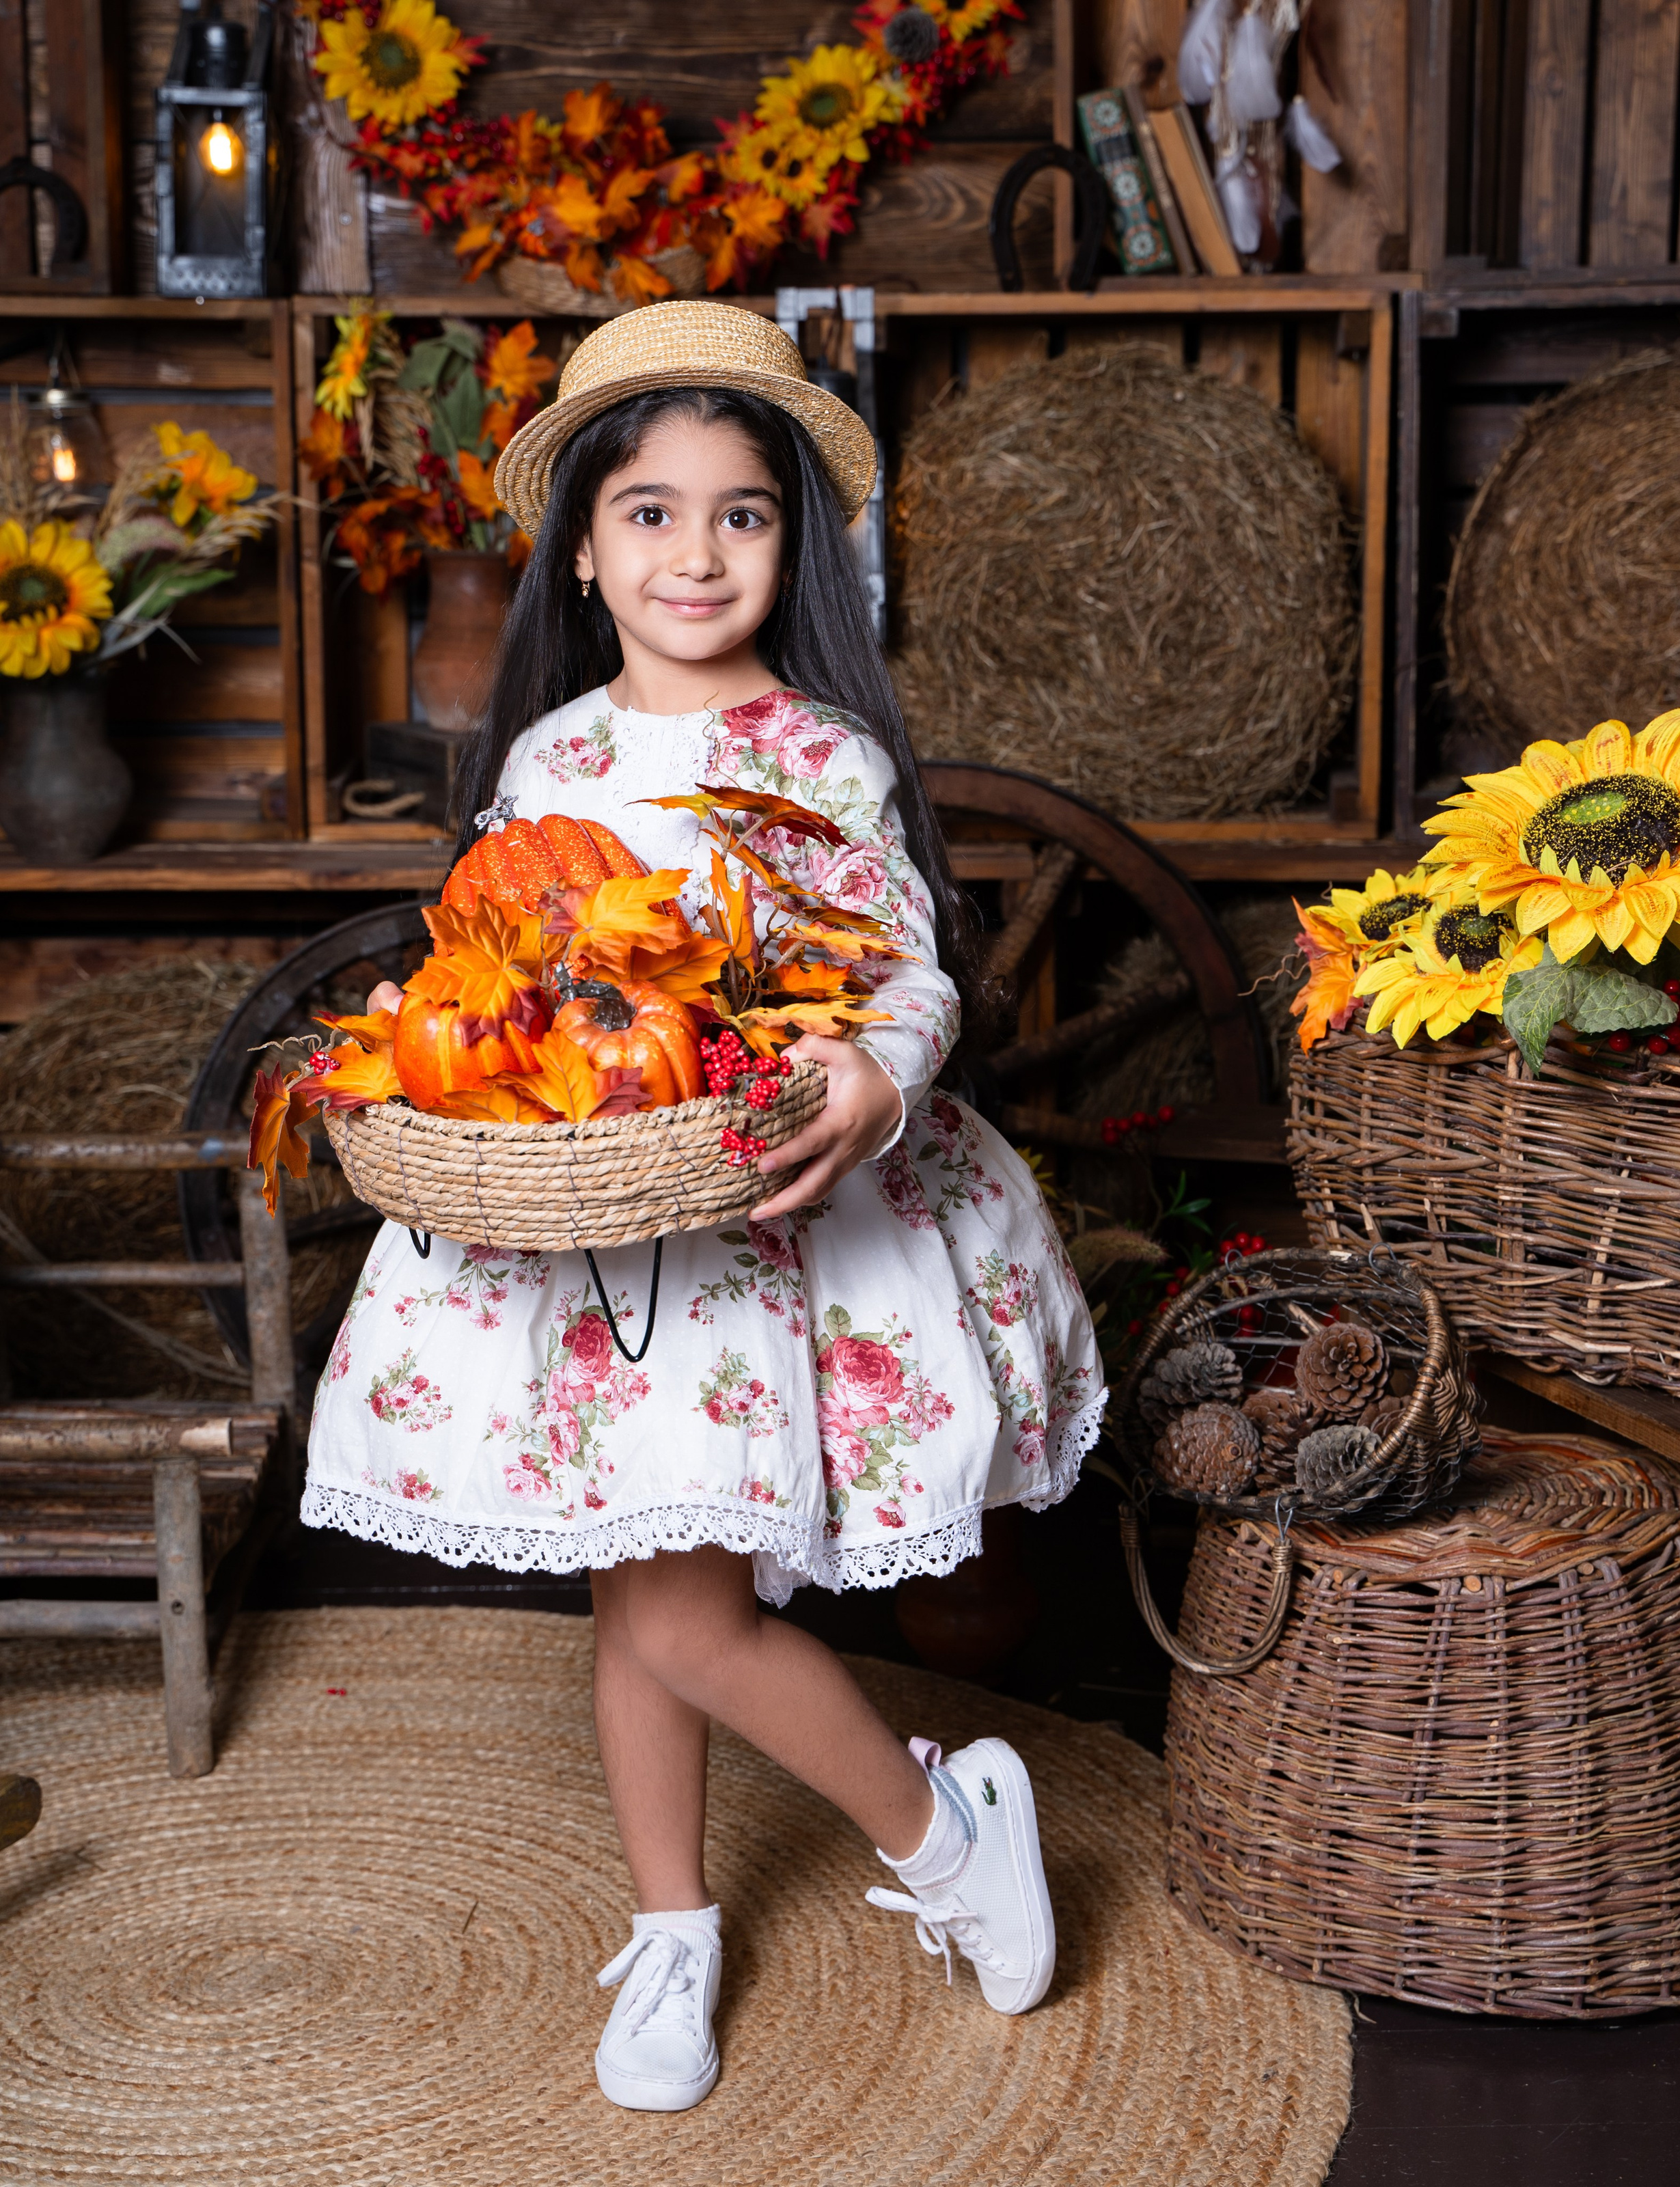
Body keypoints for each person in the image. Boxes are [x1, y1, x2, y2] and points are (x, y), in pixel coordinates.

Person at [303, 300, 1105, 2113]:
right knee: (642, 1597)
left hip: (772, 1232)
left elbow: (903, 969)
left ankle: (946, 1833)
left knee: (677, 1616)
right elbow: (504, 976)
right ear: (582, 554)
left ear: (790, 546)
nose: (696, 552)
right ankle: (674, 1922)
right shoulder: (546, 764)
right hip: (598, 1241)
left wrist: (879, 1073)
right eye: (649, 513)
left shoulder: (819, 758)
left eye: (741, 514)